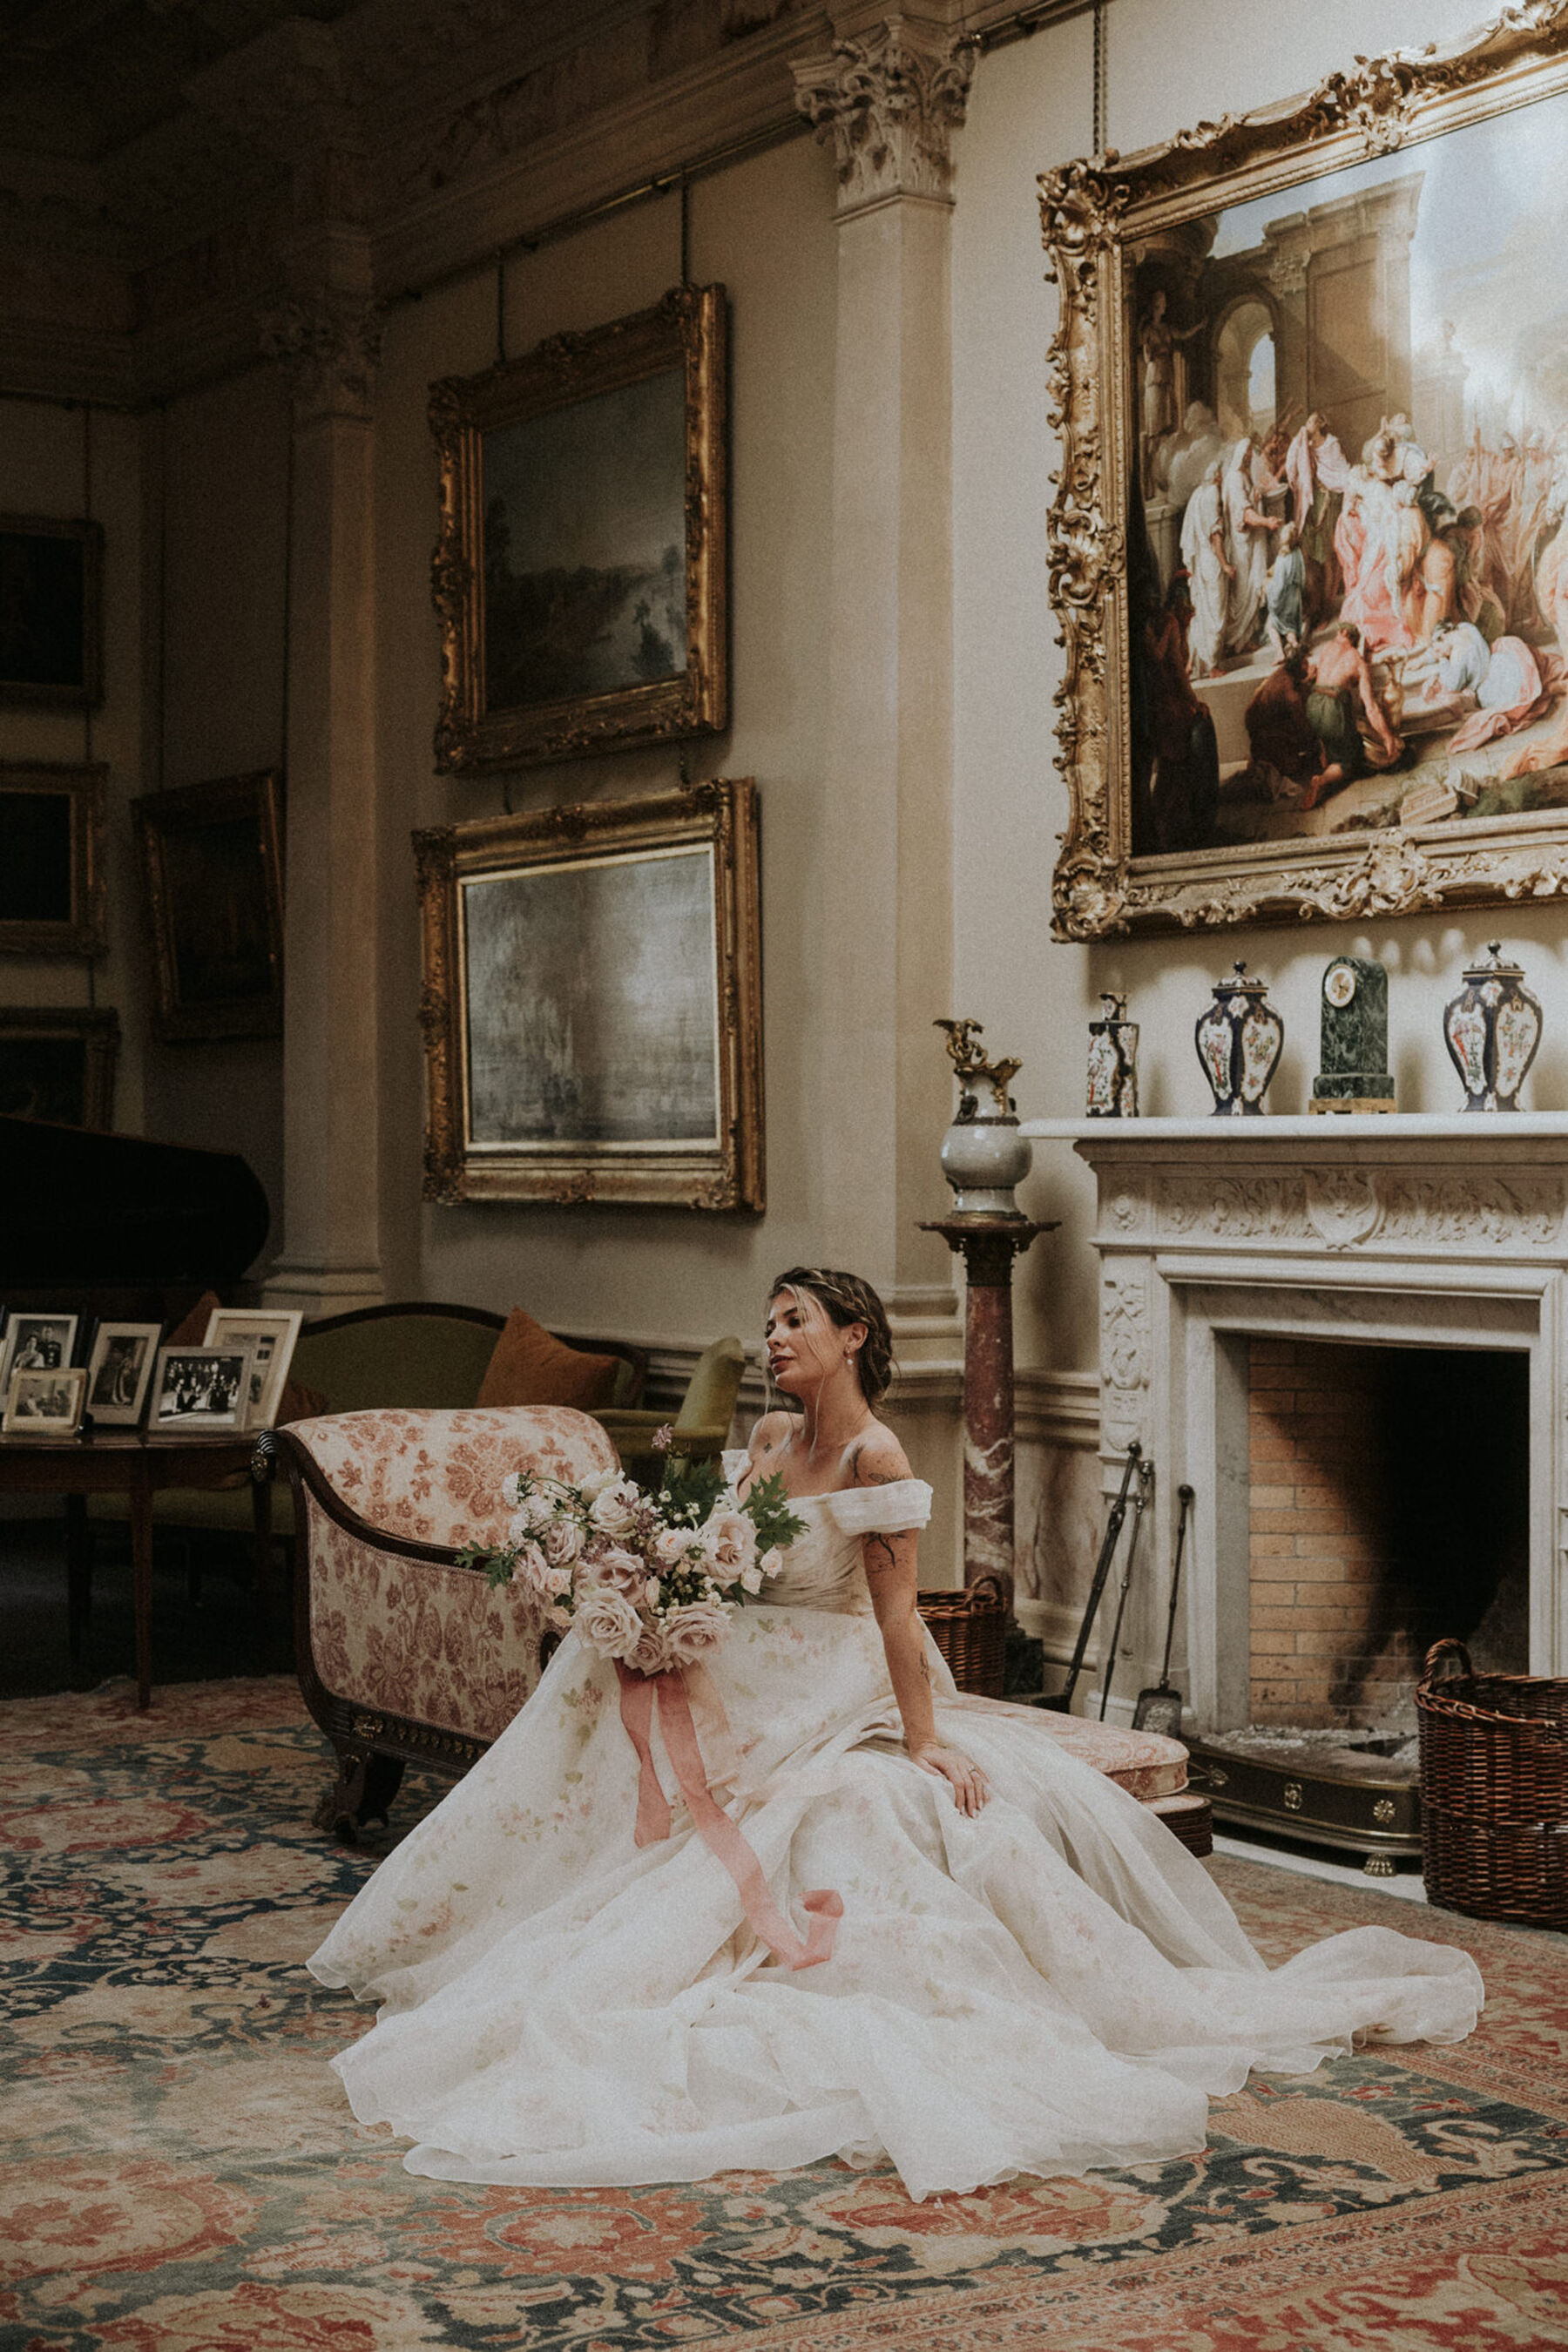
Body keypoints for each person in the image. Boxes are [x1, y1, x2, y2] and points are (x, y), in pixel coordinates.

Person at [308, 1268, 1483, 2202]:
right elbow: (724, 1556)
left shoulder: (878, 1459)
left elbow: (891, 1616)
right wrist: (652, 1590)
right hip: (749, 1662)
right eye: (766, 1322)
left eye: (795, 1321)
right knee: (599, 1681)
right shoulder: (771, 1443)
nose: (773, 1339)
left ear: (856, 1335)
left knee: (853, 1812)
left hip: (837, 1681)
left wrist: (925, 1737)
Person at [1179, 456, 1232, 676]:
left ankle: (1193, 662)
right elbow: (1215, 537)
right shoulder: (1212, 496)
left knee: (1202, 613)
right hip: (1212, 563)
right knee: (1216, 616)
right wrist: (1225, 565)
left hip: (1201, 561)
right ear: (1218, 476)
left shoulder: (1197, 495)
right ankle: (1211, 666)